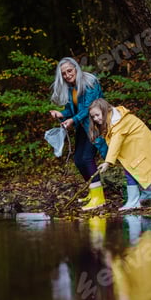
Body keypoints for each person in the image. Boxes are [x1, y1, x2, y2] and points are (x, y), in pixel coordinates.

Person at [88, 98, 151, 210]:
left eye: (97, 115)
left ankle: (133, 202)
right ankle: (147, 194)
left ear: (106, 110)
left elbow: (115, 143)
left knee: (132, 171)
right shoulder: (114, 119)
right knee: (138, 170)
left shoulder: (118, 122)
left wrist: (107, 162)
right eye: (93, 117)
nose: (96, 119)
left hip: (139, 146)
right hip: (135, 146)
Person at [49, 57, 107, 211]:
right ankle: (92, 190)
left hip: (94, 124)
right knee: (78, 160)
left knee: (87, 158)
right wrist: (61, 114)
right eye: (64, 73)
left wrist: (72, 121)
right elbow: (71, 110)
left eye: (70, 71)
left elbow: (88, 108)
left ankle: (99, 197)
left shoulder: (90, 83)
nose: (67, 75)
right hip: (82, 125)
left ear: (76, 69)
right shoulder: (70, 88)